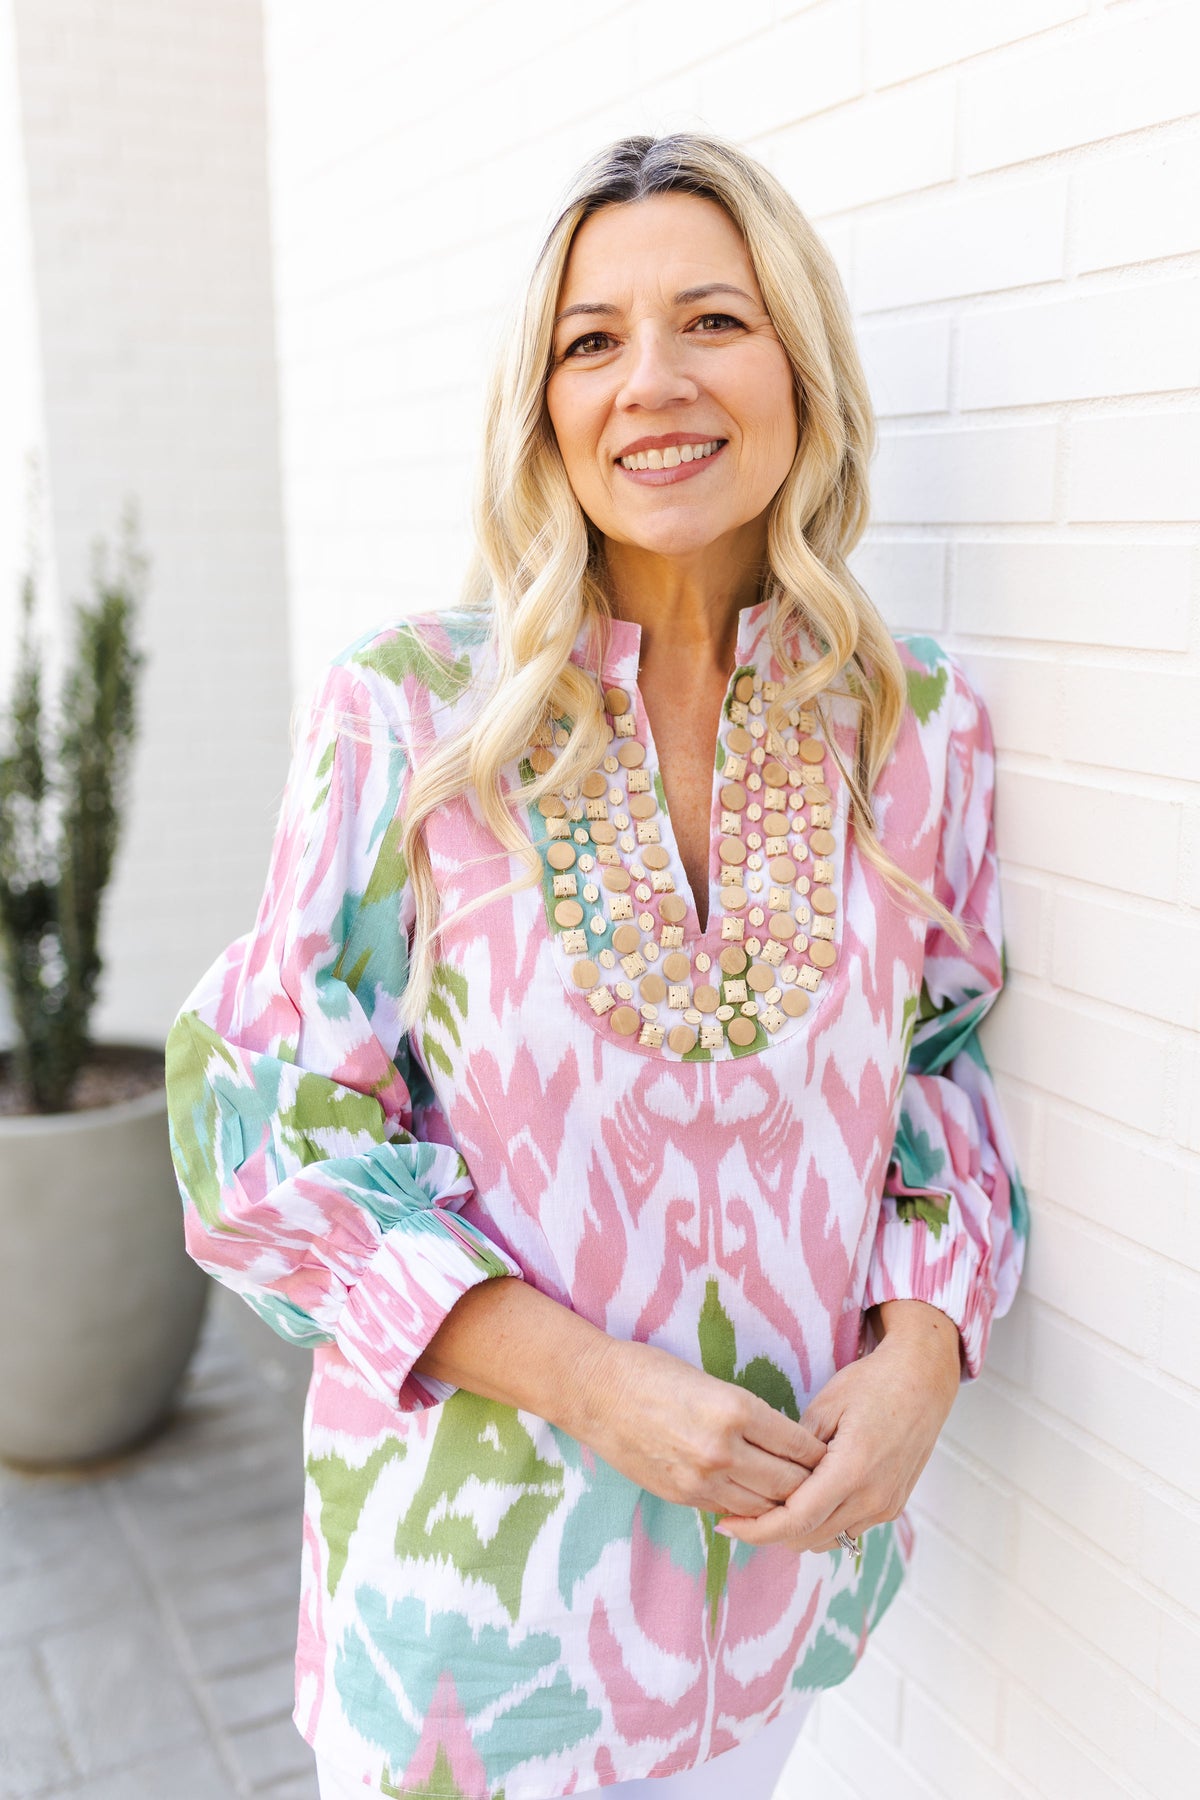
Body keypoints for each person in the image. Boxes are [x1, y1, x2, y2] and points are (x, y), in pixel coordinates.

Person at [165, 133, 1028, 1800]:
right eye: (592, 341)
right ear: (544, 406)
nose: (653, 381)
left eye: (713, 320)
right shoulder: (411, 713)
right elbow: (264, 1139)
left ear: (799, 364)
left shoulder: (914, 727)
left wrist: (924, 1351)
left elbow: (937, 1075)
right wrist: (595, 1384)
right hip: (470, 1645)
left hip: (770, 1610)